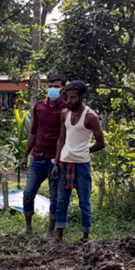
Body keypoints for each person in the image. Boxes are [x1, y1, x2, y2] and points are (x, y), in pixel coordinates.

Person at [54, 81, 106, 242]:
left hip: (82, 164)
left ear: (82, 97)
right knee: (62, 200)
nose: (69, 101)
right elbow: (61, 139)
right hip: (65, 162)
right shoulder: (65, 114)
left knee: (84, 201)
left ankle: (85, 236)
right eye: (68, 97)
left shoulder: (91, 117)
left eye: (73, 97)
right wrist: (56, 162)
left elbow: (101, 143)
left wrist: (86, 150)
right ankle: (59, 236)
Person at [20, 73, 67, 238]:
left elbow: (64, 136)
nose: (53, 89)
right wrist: (25, 155)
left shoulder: (66, 109)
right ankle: (28, 227)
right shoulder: (39, 106)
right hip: (37, 157)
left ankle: (50, 230)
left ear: (63, 88)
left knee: (55, 196)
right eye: (50, 86)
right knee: (28, 192)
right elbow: (33, 132)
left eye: (57, 86)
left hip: (56, 160)